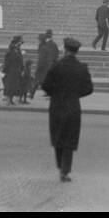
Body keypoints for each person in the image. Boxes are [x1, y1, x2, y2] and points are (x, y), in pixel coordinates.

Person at [40, 37, 93, 182]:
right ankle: (65, 170)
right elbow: (89, 89)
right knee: (69, 140)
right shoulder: (82, 67)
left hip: (57, 106)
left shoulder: (56, 66)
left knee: (58, 138)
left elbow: (45, 85)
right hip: (73, 107)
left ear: (65, 49)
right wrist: (75, 94)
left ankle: (60, 166)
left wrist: (55, 93)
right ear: (76, 51)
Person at [35, 31, 59, 96]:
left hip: (47, 64)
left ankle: (48, 92)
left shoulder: (46, 45)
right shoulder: (45, 44)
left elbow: (54, 54)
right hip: (46, 64)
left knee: (46, 78)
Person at [4, 36, 25, 105]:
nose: (20, 44)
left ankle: (11, 99)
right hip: (11, 70)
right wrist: (5, 70)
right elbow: (6, 62)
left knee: (15, 86)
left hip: (17, 70)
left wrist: (22, 69)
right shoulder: (10, 51)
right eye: (20, 43)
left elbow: (21, 61)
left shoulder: (18, 51)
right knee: (9, 85)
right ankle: (8, 100)